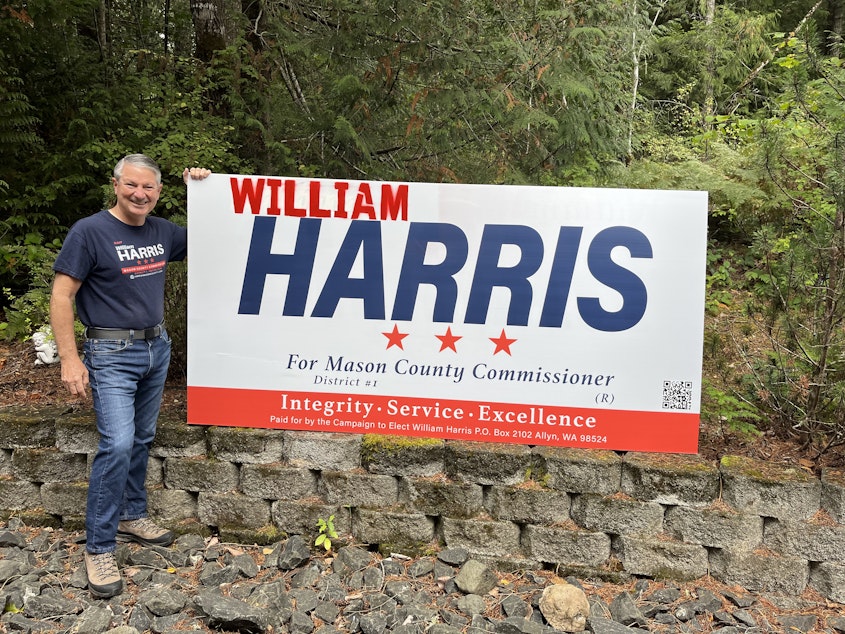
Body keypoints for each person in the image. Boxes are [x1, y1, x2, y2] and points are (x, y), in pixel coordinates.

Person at [50, 154, 210, 599]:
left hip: (156, 348)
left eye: (150, 188)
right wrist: (69, 358)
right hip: (110, 351)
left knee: (141, 438)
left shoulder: (162, 232)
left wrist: (202, 189)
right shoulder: (90, 232)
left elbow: (216, 233)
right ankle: (99, 547)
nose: (140, 194)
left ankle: (131, 513)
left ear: (159, 193)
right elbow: (62, 295)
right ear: (115, 184)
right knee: (117, 443)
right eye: (132, 185)